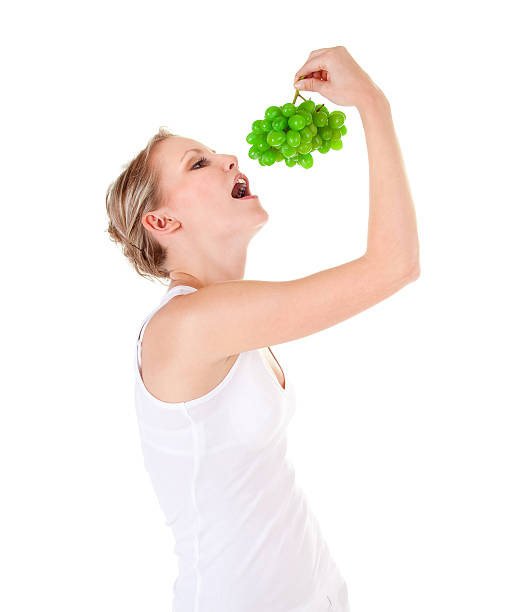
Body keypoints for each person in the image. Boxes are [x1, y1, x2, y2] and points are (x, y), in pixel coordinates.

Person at [105, 45, 420, 612]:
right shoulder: (185, 325)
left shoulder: (228, 318)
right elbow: (393, 265)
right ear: (162, 222)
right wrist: (372, 103)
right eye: (197, 163)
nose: (228, 157)